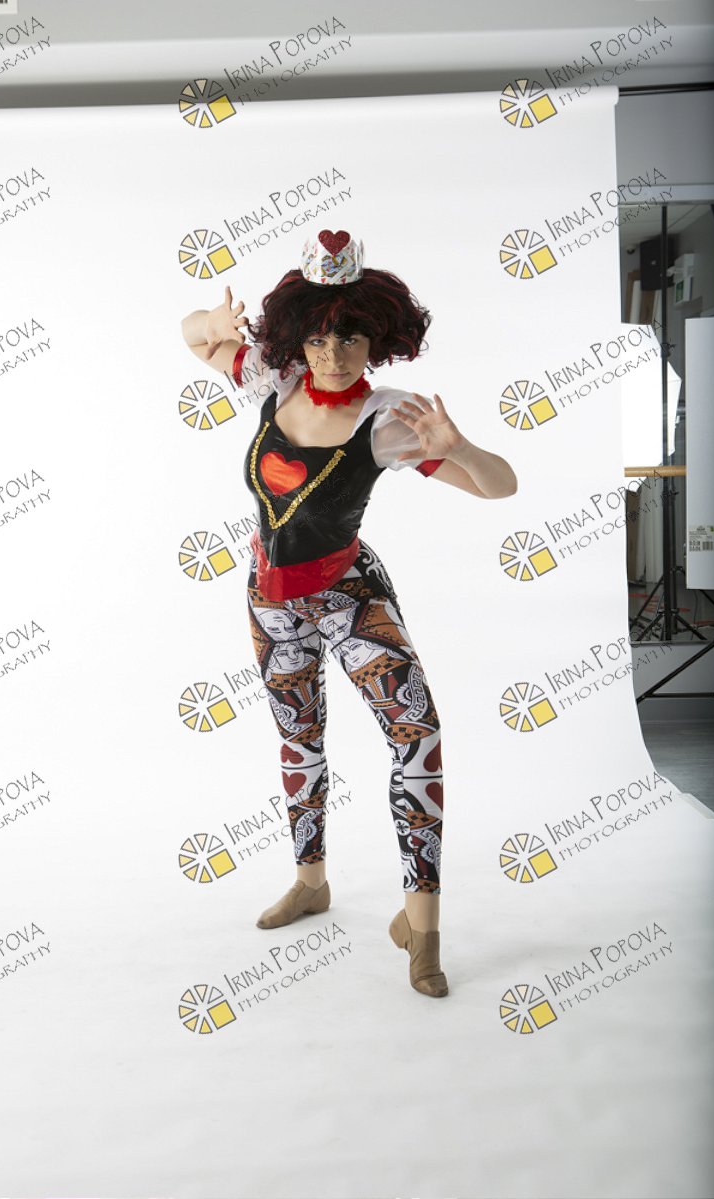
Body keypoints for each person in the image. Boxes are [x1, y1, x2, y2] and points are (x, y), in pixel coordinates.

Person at [180, 230, 517, 998]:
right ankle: (311, 882)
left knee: (417, 735)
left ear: (378, 339)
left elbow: (501, 486)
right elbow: (193, 336)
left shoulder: (390, 420)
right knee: (299, 739)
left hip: (348, 593)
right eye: (320, 337)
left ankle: (422, 928)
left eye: (352, 338)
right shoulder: (274, 381)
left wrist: (461, 447)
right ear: (299, 335)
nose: (333, 355)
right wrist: (213, 320)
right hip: (270, 598)